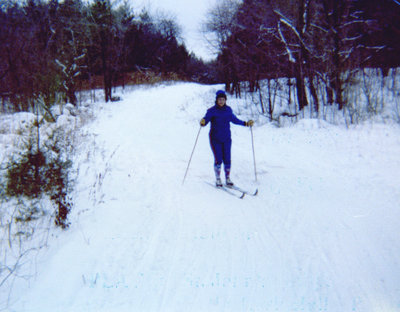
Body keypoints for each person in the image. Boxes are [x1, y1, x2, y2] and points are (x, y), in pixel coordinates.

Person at [200, 90, 254, 187]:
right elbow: (206, 119)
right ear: (216, 100)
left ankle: (227, 178)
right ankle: (218, 179)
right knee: (218, 159)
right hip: (215, 138)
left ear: (225, 100)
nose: (221, 101)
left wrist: (245, 123)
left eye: (223, 99)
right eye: (219, 99)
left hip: (226, 138)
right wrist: (203, 121)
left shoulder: (228, 110)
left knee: (227, 159)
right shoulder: (211, 110)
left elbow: (235, 120)